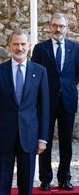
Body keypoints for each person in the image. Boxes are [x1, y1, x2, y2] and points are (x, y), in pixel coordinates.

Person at [0, 29, 50, 195]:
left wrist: (42, 138)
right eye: (15, 44)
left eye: (22, 44)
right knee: (2, 183)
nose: (19, 48)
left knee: (26, 185)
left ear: (29, 46)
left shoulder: (40, 71)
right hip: (4, 136)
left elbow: (44, 108)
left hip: (29, 136)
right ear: (9, 46)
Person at [31, 13, 79, 191]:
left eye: (61, 26)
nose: (58, 29)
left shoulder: (75, 48)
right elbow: (34, 73)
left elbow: (76, 74)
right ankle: (45, 179)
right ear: (50, 27)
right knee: (45, 141)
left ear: (67, 28)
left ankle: (64, 178)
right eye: (55, 25)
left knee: (66, 142)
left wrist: (67, 87)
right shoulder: (40, 49)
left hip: (68, 100)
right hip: (46, 102)